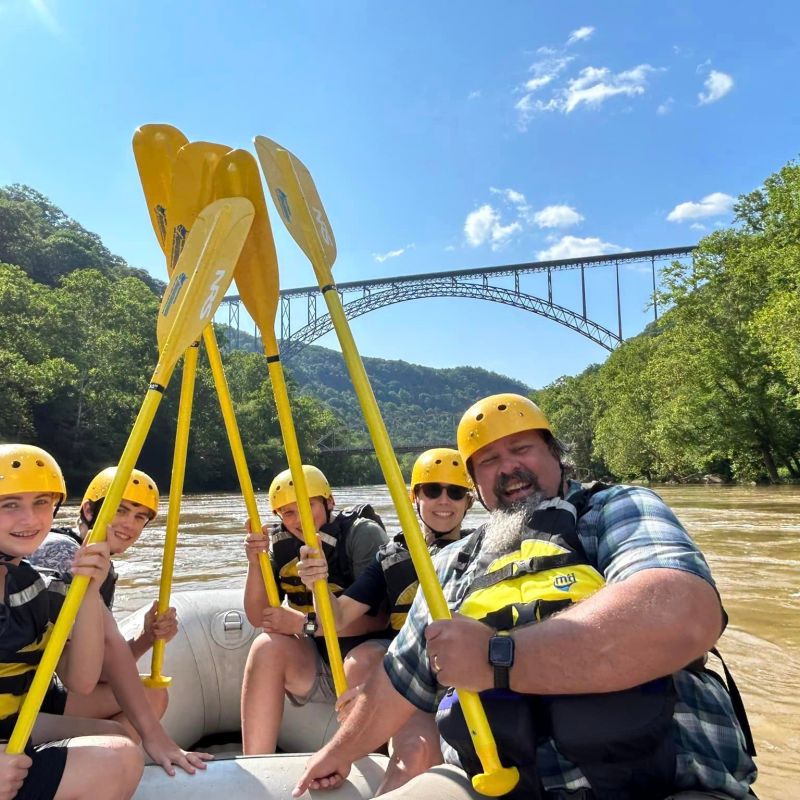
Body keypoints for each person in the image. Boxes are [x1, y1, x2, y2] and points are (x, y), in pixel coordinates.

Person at [293, 394, 758, 800]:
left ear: (556, 455)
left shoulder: (616, 509)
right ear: (478, 485)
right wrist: (337, 752)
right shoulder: (451, 565)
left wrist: (498, 658)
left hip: (669, 782)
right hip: (494, 786)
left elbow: (683, 612)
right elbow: (400, 681)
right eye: (487, 460)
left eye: (521, 449)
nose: (508, 467)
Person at [297, 448, 475, 794]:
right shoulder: (392, 557)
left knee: (417, 751)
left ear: (468, 501)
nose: (444, 501)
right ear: (414, 498)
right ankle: (370, 751)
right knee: (362, 659)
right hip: (407, 679)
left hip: (454, 678)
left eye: (455, 492)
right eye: (432, 490)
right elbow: (337, 618)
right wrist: (318, 581)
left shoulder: (482, 550)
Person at [28, 464, 212, 776]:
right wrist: (155, 737)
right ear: (88, 510)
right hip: (19, 700)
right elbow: (86, 676)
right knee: (122, 736)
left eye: (140, 517)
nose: (129, 524)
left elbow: (96, 668)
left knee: (152, 695)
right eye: (121, 510)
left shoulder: (98, 565)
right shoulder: (64, 554)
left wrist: (146, 638)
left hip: (40, 691)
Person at [0, 444, 144, 800]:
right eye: (10, 505)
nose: (30, 520)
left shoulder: (34, 585)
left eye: (41, 503)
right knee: (118, 759)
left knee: (120, 743)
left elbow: (80, 680)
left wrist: (89, 594)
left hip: (13, 731)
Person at [240, 464, 389, 755]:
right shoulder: (282, 545)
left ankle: (371, 762)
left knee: (357, 662)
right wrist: (255, 562)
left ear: (329, 502)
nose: (299, 520)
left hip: (371, 661)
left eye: (308, 506)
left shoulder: (363, 535)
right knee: (265, 646)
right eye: (288, 512)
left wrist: (303, 624)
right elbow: (259, 616)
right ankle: (256, 761)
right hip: (320, 662)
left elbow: (379, 620)